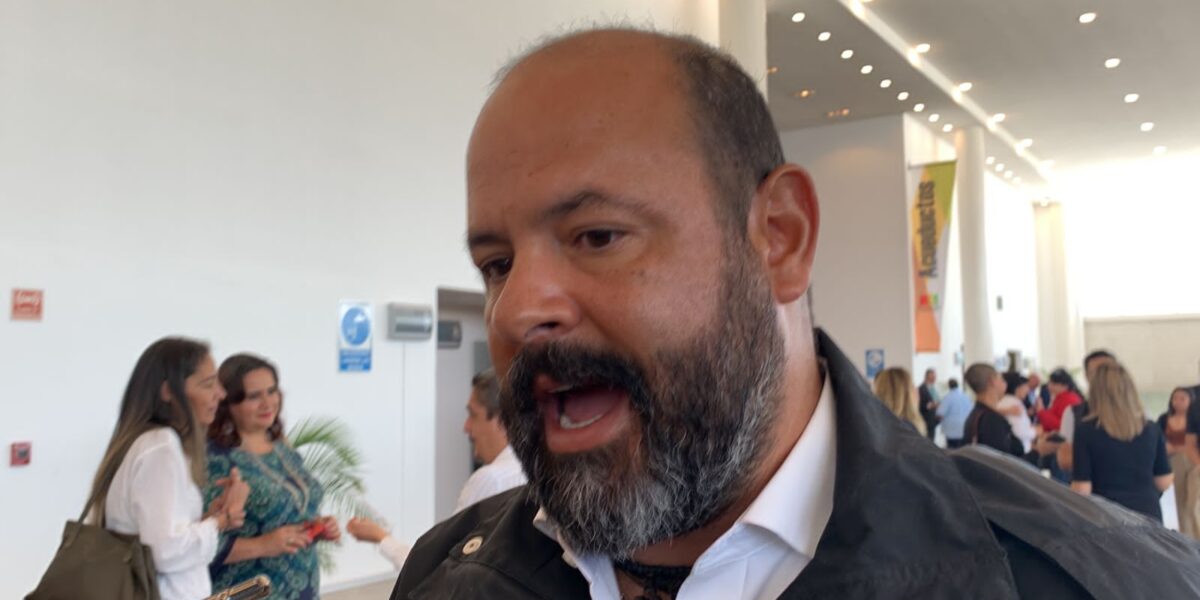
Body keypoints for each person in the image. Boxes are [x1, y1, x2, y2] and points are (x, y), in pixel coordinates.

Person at [393, 28, 1200, 599]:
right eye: (496, 264)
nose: (518, 309)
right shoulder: (445, 576)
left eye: (597, 236)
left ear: (779, 239)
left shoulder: (1096, 580)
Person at [88, 337, 249, 600]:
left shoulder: (145, 443)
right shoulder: (161, 446)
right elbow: (165, 552)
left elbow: (156, 536)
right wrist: (223, 519)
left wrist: (208, 519)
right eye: (208, 384)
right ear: (168, 392)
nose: (220, 394)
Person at [206, 354, 341, 599]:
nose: (268, 403)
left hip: (302, 587)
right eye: (254, 396)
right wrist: (263, 545)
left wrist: (316, 526)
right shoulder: (215, 458)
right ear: (228, 402)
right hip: (250, 589)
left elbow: (292, 508)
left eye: (272, 391)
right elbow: (199, 543)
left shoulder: (281, 445)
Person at [1071, 364, 1173, 522]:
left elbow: (1082, 489)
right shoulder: (1151, 428)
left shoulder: (1085, 431)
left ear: (1095, 393)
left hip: (1105, 517)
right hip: (1148, 514)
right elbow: (1164, 482)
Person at [457, 368, 527, 512]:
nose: (466, 427)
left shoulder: (491, 480)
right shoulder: (540, 476)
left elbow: (456, 529)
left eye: (473, 415)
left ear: (502, 421)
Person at [1057, 350, 1118, 473]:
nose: (1103, 378)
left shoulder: (1138, 414)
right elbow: (1065, 461)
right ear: (1086, 376)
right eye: (1097, 372)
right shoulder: (1073, 413)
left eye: (1108, 372)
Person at [1162, 387, 1200, 538]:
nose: (1178, 402)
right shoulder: (1164, 419)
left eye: (1182, 398)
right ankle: (1187, 537)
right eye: (1175, 398)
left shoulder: (1194, 415)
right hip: (1177, 461)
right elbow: (1160, 442)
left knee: (1193, 502)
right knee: (1182, 500)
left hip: (1194, 463)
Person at [873, 367, 925, 437]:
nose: (917, 391)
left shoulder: (874, 427)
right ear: (907, 395)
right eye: (912, 386)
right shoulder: (908, 433)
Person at [1000, 375, 1037, 453]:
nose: (1028, 390)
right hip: (1019, 451)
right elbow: (1020, 432)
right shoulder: (1015, 404)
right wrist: (1036, 431)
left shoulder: (1005, 401)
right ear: (1017, 388)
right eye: (1026, 386)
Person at [935, 378, 973, 449]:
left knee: (953, 451)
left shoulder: (948, 397)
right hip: (965, 429)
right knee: (964, 450)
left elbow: (940, 413)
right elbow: (971, 411)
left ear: (949, 386)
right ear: (957, 385)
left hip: (952, 431)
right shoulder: (965, 396)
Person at [917, 368, 940, 442]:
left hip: (933, 420)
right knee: (927, 441)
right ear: (926, 377)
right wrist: (930, 406)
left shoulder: (934, 388)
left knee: (932, 441)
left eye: (935, 377)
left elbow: (936, 400)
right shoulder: (921, 389)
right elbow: (919, 406)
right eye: (932, 377)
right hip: (926, 420)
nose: (934, 379)